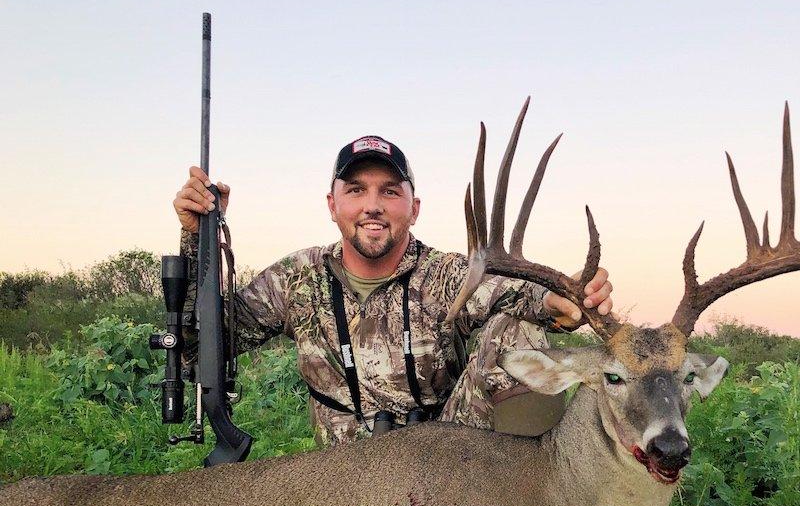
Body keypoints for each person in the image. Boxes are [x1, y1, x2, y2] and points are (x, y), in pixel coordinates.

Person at [172, 134, 614, 445]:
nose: (372, 206)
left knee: (517, 333)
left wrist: (563, 304)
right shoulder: (296, 278)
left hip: (446, 456)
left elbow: (519, 297)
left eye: (389, 191)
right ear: (333, 205)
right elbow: (205, 341)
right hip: (345, 478)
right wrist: (198, 239)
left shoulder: (445, 274)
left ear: (413, 207)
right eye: (356, 190)